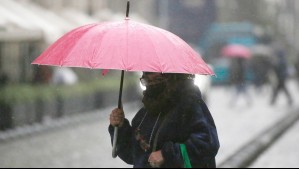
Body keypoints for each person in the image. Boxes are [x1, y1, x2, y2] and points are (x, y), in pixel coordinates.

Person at [109, 72, 220, 168]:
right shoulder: (144, 114)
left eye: (158, 80)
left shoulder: (189, 105)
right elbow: (133, 155)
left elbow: (208, 144)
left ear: (173, 77)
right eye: (147, 80)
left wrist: (166, 155)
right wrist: (120, 127)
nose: (152, 85)